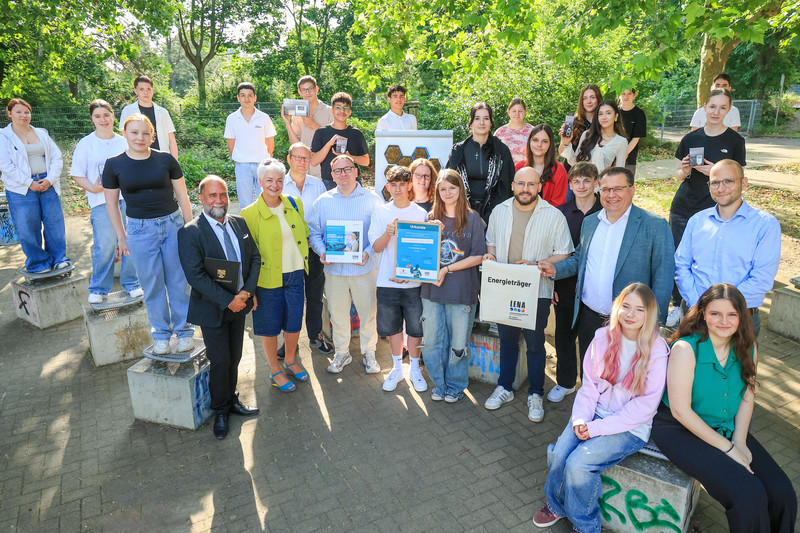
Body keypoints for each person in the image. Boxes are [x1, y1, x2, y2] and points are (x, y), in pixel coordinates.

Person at [652, 284, 796, 532]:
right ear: (703, 314)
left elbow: (747, 397)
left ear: (742, 317)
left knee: (782, 493)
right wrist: (728, 448)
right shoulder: (686, 349)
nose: (724, 321)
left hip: (724, 426)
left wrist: (740, 441)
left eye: (732, 314)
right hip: (680, 429)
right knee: (748, 495)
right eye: (715, 313)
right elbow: (680, 412)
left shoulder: (748, 347)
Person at [533, 283, 670, 533]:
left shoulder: (657, 349)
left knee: (579, 464)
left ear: (649, 314)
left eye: (639, 309)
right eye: (626, 306)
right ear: (617, 307)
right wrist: (580, 419)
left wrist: (596, 428)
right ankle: (556, 504)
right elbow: (589, 386)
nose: (631, 314)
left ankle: (586, 525)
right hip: (594, 412)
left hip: (630, 426)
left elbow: (645, 407)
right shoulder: (603, 337)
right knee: (561, 452)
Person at [538, 167, 674, 375]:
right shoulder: (590, 222)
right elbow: (579, 259)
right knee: (591, 374)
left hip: (630, 321)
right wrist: (554, 269)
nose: (611, 195)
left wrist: (655, 324)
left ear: (632, 190)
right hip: (589, 316)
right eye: (606, 189)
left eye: (618, 189)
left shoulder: (654, 225)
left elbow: (663, 277)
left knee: (624, 377)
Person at [482, 167, 573, 421]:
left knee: (534, 344)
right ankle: (505, 387)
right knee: (507, 341)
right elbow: (491, 243)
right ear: (512, 185)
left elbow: (564, 252)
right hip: (504, 288)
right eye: (521, 183)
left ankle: (535, 393)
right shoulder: (499, 211)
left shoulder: (554, 215)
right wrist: (490, 256)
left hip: (537, 290)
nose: (525, 189)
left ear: (539, 187)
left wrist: (537, 265)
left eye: (531, 184)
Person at [177, 175, 261, 439]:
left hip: (240, 304)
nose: (219, 200)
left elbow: (255, 258)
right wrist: (229, 300)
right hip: (212, 309)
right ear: (201, 198)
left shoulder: (239, 223)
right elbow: (196, 276)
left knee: (235, 357)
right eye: (212, 195)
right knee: (220, 360)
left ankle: (232, 399)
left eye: (223, 194)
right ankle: (220, 410)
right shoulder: (190, 232)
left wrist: (247, 292)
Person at [102, 113, 193, 355]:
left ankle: (184, 332)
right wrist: (121, 236)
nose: (140, 138)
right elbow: (111, 204)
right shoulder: (114, 165)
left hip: (172, 226)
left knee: (178, 282)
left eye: (145, 133)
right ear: (125, 133)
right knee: (152, 285)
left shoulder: (166, 160)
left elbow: (182, 195)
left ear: (152, 136)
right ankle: (161, 335)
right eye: (134, 132)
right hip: (139, 231)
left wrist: (189, 227)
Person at [668, 88, 746, 327]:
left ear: (729, 110)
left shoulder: (735, 141)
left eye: (723, 108)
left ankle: (709, 307)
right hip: (684, 208)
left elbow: (739, 179)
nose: (716, 112)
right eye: (712, 106)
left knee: (707, 259)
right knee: (680, 260)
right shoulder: (690, 139)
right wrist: (684, 170)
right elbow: (677, 175)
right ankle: (679, 305)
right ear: (704, 107)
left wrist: (715, 171)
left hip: (716, 212)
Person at [675, 160, 780, 337]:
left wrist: (720, 310)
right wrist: (697, 303)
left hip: (739, 318)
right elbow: (681, 265)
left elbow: (762, 277)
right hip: (695, 313)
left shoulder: (765, 225)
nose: (721, 188)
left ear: (743, 183)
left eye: (728, 181)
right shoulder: (697, 221)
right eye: (715, 182)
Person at [308, 155, 383, 374]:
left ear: (356, 171)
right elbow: (314, 233)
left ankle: (369, 353)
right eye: (338, 170)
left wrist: (368, 252)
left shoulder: (372, 199)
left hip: (364, 269)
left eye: (348, 169)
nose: (343, 174)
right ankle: (342, 353)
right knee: (338, 314)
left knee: (368, 313)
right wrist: (322, 251)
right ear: (332, 175)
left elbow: (379, 233)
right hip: (335, 271)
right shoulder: (323, 201)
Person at [240, 159, 310, 392]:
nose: (274, 185)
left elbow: (304, 233)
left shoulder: (294, 203)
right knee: (269, 327)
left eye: (279, 180)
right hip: (267, 280)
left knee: (294, 322)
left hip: (295, 274)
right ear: (260, 181)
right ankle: (275, 369)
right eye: (269, 180)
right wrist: (249, 290)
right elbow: (247, 255)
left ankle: (290, 359)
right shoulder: (249, 213)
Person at [421, 169, 486, 402]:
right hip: (432, 291)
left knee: (458, 344)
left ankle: (456, 386)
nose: (448, 193)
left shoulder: (473, 218)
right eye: (443, 189)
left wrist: (447, 269)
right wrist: (433, 233)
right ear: (437, 192)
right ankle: (439, 384)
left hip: (461, 291)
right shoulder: (431, 218)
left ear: (461, 189)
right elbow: (422, 254)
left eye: (452, 188)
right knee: (432, 343)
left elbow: (478, 256)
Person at [70, 99, 141, 302]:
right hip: (100, 201)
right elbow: (77, 173)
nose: (103, 120)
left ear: (113, 116)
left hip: (127, 199)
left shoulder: (123, 141)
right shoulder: (86, 144)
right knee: (106, 244)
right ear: (92, 119)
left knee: (131, 240)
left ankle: (132, 283)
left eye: (106, 115)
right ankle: (99, 289)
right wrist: (92, 188)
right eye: (98, 116)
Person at [368, 165, 428, 392]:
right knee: (393, 328)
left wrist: (410, 273)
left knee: (415, 328)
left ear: (410, 185)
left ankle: (415, 369)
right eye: (393, 185)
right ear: (387, 186)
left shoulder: (420, 214)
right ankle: (396, 368)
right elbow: (376, 247)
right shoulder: (381, 211)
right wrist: (388, 233)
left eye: (402, 184)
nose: (398, 189)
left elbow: (424, 252)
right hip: (387, 281)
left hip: (413, 283)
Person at [549, 162, 602, 404]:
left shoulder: (606, 211)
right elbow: (553, 250)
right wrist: (552, 285)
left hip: (596, 285)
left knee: (593, 339)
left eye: (587, 180)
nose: (582, 186)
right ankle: (566, 382)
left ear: (596, 183)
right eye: (577, 181)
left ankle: (591, 386)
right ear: (570, 185)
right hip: (566, 284)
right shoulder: (560, 213)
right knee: (564, 335)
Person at [0, 98, 70, 274]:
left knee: (54, 224)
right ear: (9, 114)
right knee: (27, 227)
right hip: (21, 189)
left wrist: (50, 179)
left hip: (47, 184)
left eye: (26, 112)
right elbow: (5, 165)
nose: (23, 115)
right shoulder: (3, 136)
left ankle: (59, 259)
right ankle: (38, 263)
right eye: (18, 112)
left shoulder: (41, 133)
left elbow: (56, 157)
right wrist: (29, 183)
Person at [280, 142, 333, 356]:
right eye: (298, 157)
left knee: (314, 296)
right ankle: (289, 342)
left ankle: (315, 335)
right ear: (289, 159)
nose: (303, 162)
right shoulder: (279, 184)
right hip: (288, 250)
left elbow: (324, 216)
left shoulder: (318, 185)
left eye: (306, 158)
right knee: (290, 298)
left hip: (313, 248)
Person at [445, 102, 514, 222]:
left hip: (496, 212)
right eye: (477, 118)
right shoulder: (458, 151)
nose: (482, 123)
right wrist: (466, 214)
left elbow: (506, 188)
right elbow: (448, 183)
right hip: (462, 211)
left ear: (491, 122)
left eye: (486, 118)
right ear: (471, 122)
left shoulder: (501, 151)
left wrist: (488, 218)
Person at [224, 82, 277, 209]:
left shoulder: (264, 117)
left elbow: (270, 143)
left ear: (255, 97)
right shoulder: (231, 118)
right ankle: (246, 222)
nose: (246, 99)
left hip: (262, 164)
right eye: (243, 95)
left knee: (265, 200)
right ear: (238, 98)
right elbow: (230, 145)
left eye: (249, 95)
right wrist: (240, 159)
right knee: (245, 203)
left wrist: (266, 161)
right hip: (242, 166)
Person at [310, 92, 369, 190]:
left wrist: (349, 156)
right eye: (338, 107)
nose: (342, 111)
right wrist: (329, 144)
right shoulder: (321, 132)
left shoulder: (356, 133)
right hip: (329, 183)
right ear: (332, 110)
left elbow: (366, 161)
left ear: (349, 112)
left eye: (346, 108)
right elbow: (313, 162)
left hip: (352, 182)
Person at [282, 75, 333, 178]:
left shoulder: (330, 111)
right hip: (304, 167)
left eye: (310, 89)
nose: (307, 93)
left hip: (323, 167)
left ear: (316, 89)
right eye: (304, 90)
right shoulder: (297, 114)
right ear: (299, 92)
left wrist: (312, 124)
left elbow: (333, 140)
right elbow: (295, 144)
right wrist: (287, 122)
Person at [560, 100, 627, 174]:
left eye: (608, 113)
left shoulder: (621, 141)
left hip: (604, 181)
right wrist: (566, 143)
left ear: (616, 116)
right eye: (600, 114)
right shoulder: (587, 135)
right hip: (583, 179)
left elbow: (620, 172)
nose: (604, 117)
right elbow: (575, 162)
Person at [119, 75, 177, 158]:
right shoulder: (128, 111)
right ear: (136, 91)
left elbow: (171, 139)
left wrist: (174, 162)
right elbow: (123, 137)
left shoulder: (163, 112)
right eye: (141, 89)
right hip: (136, 157)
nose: (146, 93)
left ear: (153, 91)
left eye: (148, 89)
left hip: (160, 158)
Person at [517, 124, 569, 206]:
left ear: (550, 144)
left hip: (550, 213)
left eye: (544, 141)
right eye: (535, 140)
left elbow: (558, 204)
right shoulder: (519, 167)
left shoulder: (559, 170)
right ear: (529, 142)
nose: (539, 145)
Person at [562, 84, 603, 172]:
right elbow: (562, 152)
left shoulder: (604, 122)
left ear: (598, 99)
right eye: (585, 98)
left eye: (592, 97)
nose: (588, 101)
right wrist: (565, 142)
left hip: (595, 172)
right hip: (571, 171)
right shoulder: (572, 122)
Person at [494, 98, 534, 166]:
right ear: (508, 112)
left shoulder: (533, 131)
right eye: (514, 111)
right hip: (505, 170)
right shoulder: (500, 132)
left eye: (520, 111)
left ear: (525, 112)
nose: (517, 114)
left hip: (527, 169)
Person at [618, 88, 647, 177]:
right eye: (623, 94)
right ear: (619, 95)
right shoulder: (614, 112)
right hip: (612, 155)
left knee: (627, 183)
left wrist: (623, 154)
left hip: (629, 157)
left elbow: (636, 138)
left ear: (634, 95)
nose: (626, 97)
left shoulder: (639, 113)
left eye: (629, 94)